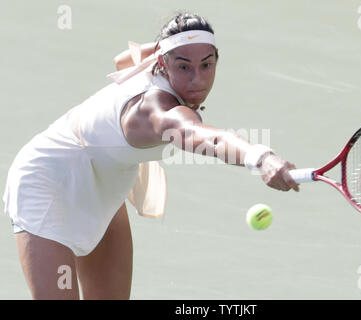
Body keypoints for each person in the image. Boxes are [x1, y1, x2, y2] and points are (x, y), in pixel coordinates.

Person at [2, 12, 299, 300]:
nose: (197, 79)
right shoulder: (158, 110)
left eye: (207, 65)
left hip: (104, 184)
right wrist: (261, 157)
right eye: (184, 67)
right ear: (163, 63)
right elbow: (205, 136)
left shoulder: (155, 61)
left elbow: (124, 58)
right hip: (47, 183)